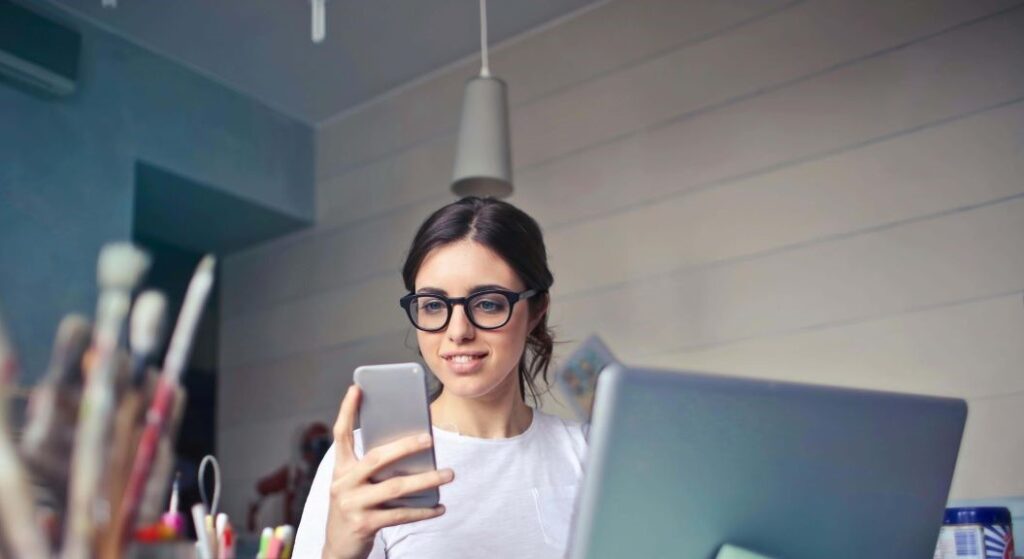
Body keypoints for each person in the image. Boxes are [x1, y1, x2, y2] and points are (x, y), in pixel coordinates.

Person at [292, 197, 587, 559]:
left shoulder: (587, 455)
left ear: (537, 310)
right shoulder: (362, 464)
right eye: (434, 305)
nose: (458, 331)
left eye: (488, 303)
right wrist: (338, 552)